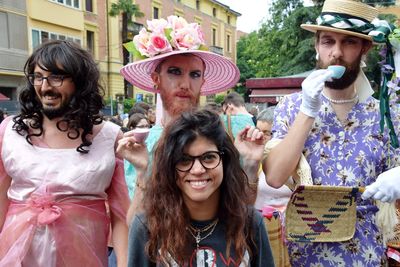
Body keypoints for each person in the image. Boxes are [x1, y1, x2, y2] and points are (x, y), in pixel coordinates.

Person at [262, 0, 400, 266]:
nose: (336, 53)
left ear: (364, 48)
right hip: (304, 254)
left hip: (367, 254)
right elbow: (276, 177)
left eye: (348, 42)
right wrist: (307, 110)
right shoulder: (292, 106)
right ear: (317, 46)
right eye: (327, 41)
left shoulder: (387, 112)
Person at [119, 16, 261, 223]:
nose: (185, 83)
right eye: (175, 72)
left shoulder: (228, 132)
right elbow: (136, 228)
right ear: (155, 80)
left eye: (194, 74)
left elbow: (243, 211)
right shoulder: (141, 143)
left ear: (203, 81)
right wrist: (143, 173)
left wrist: (249, 166)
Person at [0, 40, 129, 266]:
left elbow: (121, 216)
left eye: (56, 77)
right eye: (38, 77)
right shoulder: (9, 132)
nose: (45, 86)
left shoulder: (109, 138)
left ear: (79, 82)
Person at [126, 109, 274, 266]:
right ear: (169, 166)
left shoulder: (249, 222)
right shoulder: (148, 227)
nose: (197, 170)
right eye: (184, 160)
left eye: (209, 157)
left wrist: (251, 163)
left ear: (224, 161)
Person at [254, 106, 292, 210]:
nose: (260, 136)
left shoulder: (294, 159)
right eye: (258, 131)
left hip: (288, 221)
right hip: (261, 220)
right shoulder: (253, 157)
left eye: (267, 133)